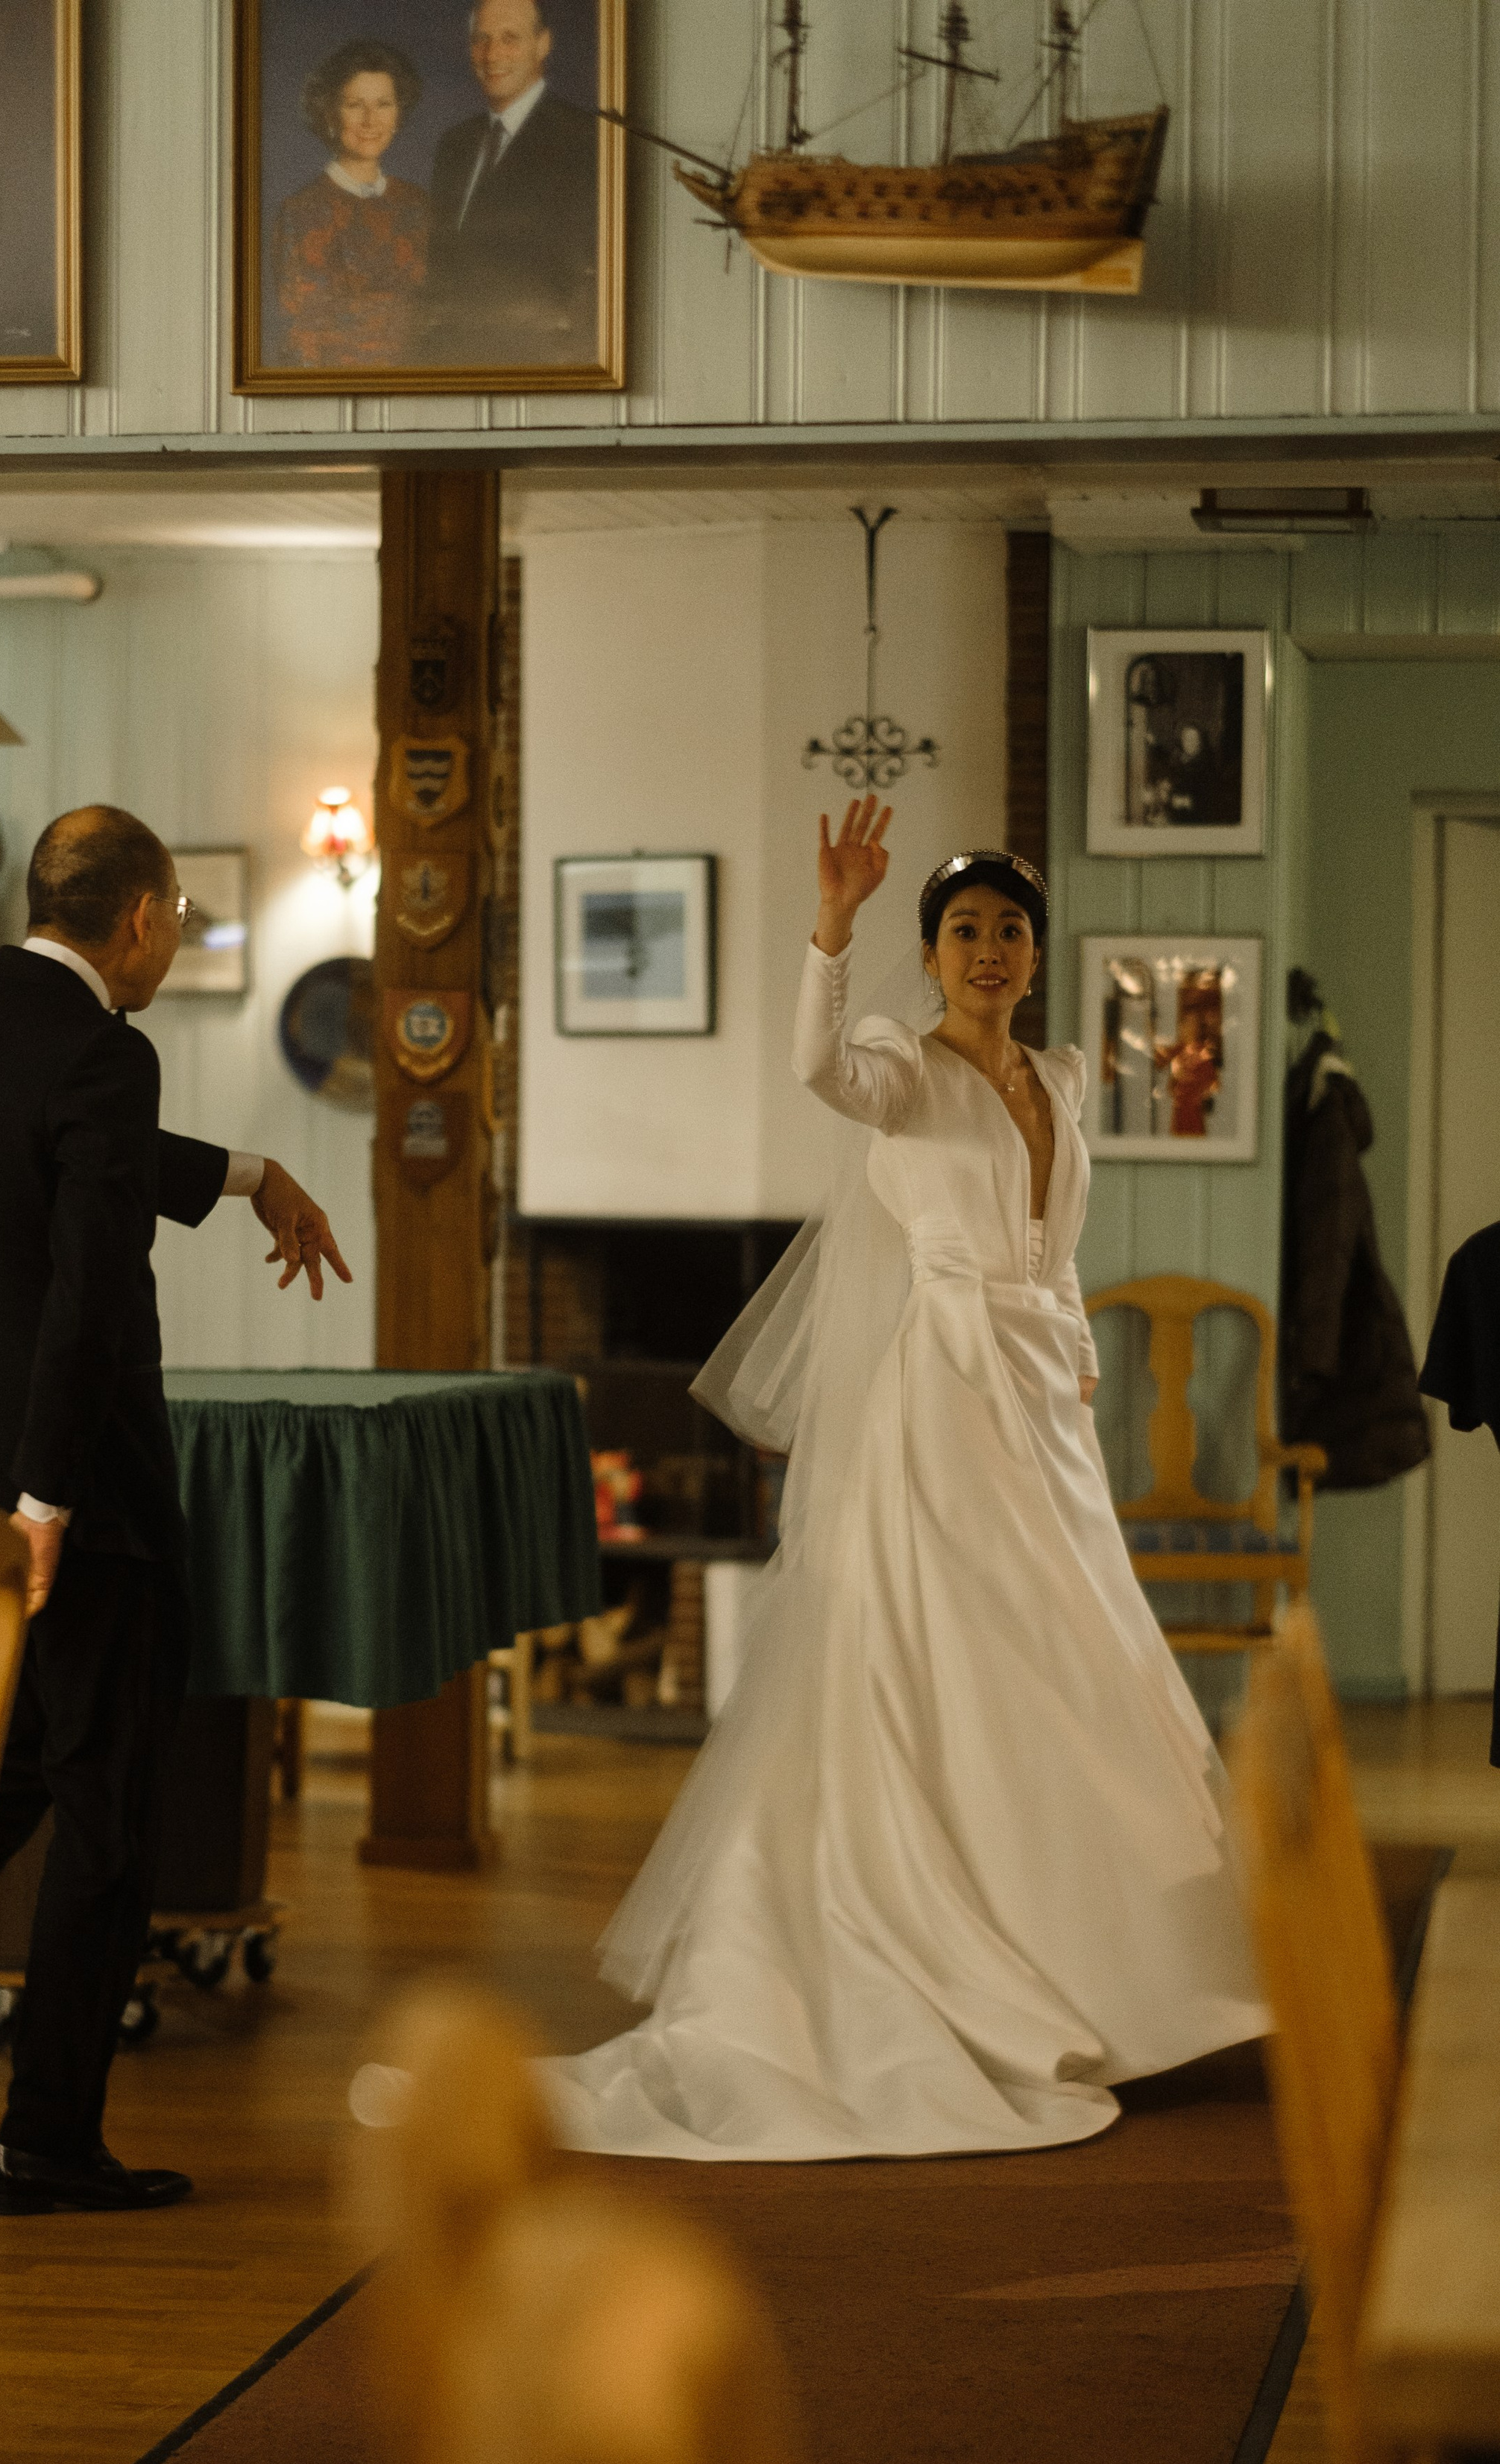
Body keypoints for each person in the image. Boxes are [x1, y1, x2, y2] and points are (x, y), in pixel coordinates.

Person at [541, 802, 1269, 2161]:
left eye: (1010, 930)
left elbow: (1052, 1251)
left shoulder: (1058, 1078)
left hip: (1043, 1404)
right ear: (930, 957)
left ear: (1036, 954)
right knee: (949, 1659)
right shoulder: (901, 1069)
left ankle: (1092, 1971)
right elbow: (815, 1064)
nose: (989, 949)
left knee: (1076, 1658)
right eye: (964, 931)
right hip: (938, 1403)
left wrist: (1077, 1364)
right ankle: (929, 1953)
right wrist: (833, 924)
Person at [0, 806, 351, 2214]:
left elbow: (71, 1156)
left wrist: (250, 1176)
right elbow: (87, 1295)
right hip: (80, 1512)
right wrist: (47, 1503)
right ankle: (46, 2139)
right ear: (140, 918)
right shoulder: (105, 1051)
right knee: (106, 1814)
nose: (176, 941)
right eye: (178, 920)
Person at [419, 0, 599, 367]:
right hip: (451, 361)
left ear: (543, 44)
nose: (492, 55)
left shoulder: (586, 140)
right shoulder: (455, 145)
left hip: (540, 363)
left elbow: (586, 279)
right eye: (481, 39)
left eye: (510, 38)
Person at [276, 41, 430, 370]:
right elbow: (301, 335)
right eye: (355, 105)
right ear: (331, 113)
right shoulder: (300, 212)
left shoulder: (418, 205)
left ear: (398, 115)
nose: (370, 120)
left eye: (384, 104)